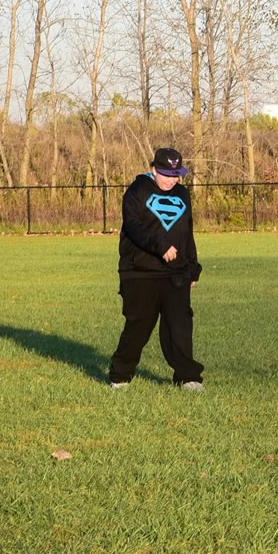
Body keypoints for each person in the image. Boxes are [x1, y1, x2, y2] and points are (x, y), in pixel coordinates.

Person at [109, 147, 204, 390]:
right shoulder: (137, 191)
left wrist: (192, 267)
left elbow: (186, 231)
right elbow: (133, 226)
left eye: (176, 175)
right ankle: (120, 375)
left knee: (180, 324)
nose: (172, 180)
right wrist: (160, 246)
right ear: (154, 169)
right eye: (166, 174)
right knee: (138, 325)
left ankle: (188, 376)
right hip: (141, 271)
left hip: (176, 272)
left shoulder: (182, 193)